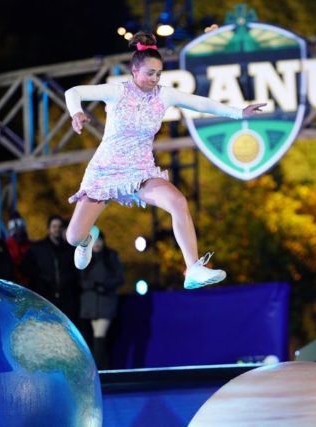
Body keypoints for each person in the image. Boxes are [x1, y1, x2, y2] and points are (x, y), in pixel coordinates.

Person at [64, 32, 265, 289]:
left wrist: (238, 113)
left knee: (178, 201)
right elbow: (73, 92)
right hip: (105, 171)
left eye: (159, 74)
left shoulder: (163, 95)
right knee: (73, 237)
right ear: (134, 71)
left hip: (140, 171)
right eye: (150, 73)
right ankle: (86, 240)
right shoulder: (117, 91)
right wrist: (77, 113)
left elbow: (201, 104)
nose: (155, 79)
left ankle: (193, 268)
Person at [21, 215, 80, 323]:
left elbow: (75, 273)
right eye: (54, 226)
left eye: (59, 226)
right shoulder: (37, 249)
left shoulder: (69, 250)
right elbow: (25, 269)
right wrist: (39, 280)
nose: (57, 229)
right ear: (48, 229)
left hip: (66, 299)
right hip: (44, 296)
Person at [79, 231, 124, 369]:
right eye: (94, 241)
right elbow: (80, 279)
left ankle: (100, 369)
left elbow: (119, 278)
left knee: (99, 337)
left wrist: (105, 286)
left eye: (99, 240)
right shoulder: (85, 258)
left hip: (106, 302)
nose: (97, 243)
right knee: (95, 338)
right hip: (90, 304)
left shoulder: (111, 256)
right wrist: (92, 285)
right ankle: (100, 369)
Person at [5, 211, 31, 285]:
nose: (18, 231)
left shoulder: (28, 245)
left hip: (27, 281)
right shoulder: (7, 245)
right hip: (14, 281)